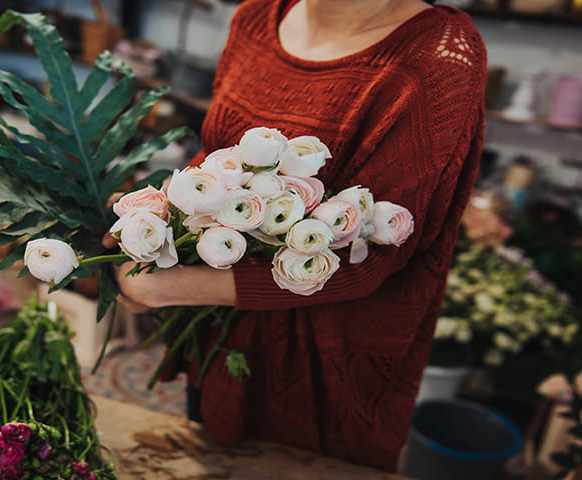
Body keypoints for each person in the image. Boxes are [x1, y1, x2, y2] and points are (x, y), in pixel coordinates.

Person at [114, 0, 487, 473]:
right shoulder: (254, 18)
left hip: (323, 361)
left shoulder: (436, 56)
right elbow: (218, 151)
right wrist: (158, 218)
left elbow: (374, 256)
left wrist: (166, 288)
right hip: (221, 334)